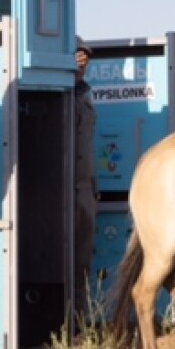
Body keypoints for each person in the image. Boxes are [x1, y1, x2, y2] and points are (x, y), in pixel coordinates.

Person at [73, 36, 98, 328]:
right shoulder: (58, 93)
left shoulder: (85, 94)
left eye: (85, 58)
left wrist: (93, 190)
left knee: (82, 261)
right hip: (59, 191)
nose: (82, 62)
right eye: (77, 56)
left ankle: (79, 324)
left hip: (84, 189)